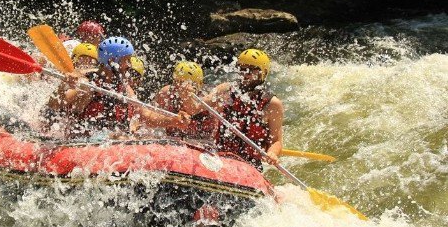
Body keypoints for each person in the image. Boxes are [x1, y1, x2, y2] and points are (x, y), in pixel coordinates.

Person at [45, 36, 190, 138]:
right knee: (121, 138)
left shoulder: (125, 87)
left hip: (112, 141)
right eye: (126, 61)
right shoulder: (87, 82)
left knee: (126, 137)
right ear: (112, 61)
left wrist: (174, 121)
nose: (129, 66)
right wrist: (64, 85)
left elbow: (145, 116)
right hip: (84, 141)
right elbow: (55, 105)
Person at [184, 49, 283, 171]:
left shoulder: (272, 104)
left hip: (249, 164)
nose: (245, 73)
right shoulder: (226, 90)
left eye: (251, 69)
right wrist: (186, 94)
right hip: (220, 158)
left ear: (263, 72)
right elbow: (194, 108)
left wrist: (272, 153)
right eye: (242, 68)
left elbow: (276, 141)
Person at [153, 61, 215, 140]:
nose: (179, 87)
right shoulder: (166, 93)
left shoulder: (207, 98)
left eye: (183, 83)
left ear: (197, 85)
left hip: (201, 142)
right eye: (176, 82)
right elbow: (152, 115)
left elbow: (214, 130)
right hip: (172, 141)